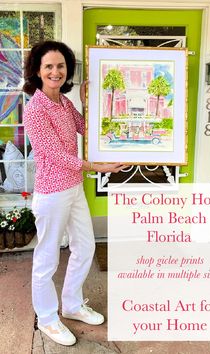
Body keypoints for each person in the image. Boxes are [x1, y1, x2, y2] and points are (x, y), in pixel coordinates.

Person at [23, 40, 126, 346]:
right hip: (52, 192)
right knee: (47, 258)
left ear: (67, 69)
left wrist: (86, 101)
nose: (56, 71)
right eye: (49, 66)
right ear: (38, 72)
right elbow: (55, 155)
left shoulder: (64, 103)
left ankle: (71, 304)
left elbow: (84, 128)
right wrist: (96, 166)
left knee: (85, 247)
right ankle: (47, 318)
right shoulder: (35, 109)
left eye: (61, 66)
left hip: (73, 187)